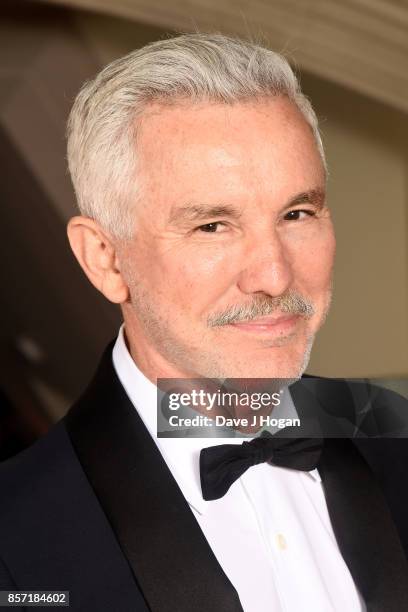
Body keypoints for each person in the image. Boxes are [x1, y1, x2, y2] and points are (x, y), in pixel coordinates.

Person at [1, 33, 408, 612]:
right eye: (212, 225)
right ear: (105, 259)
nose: (273, 274)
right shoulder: (13, 540)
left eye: (297, 213)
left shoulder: (393, 427)